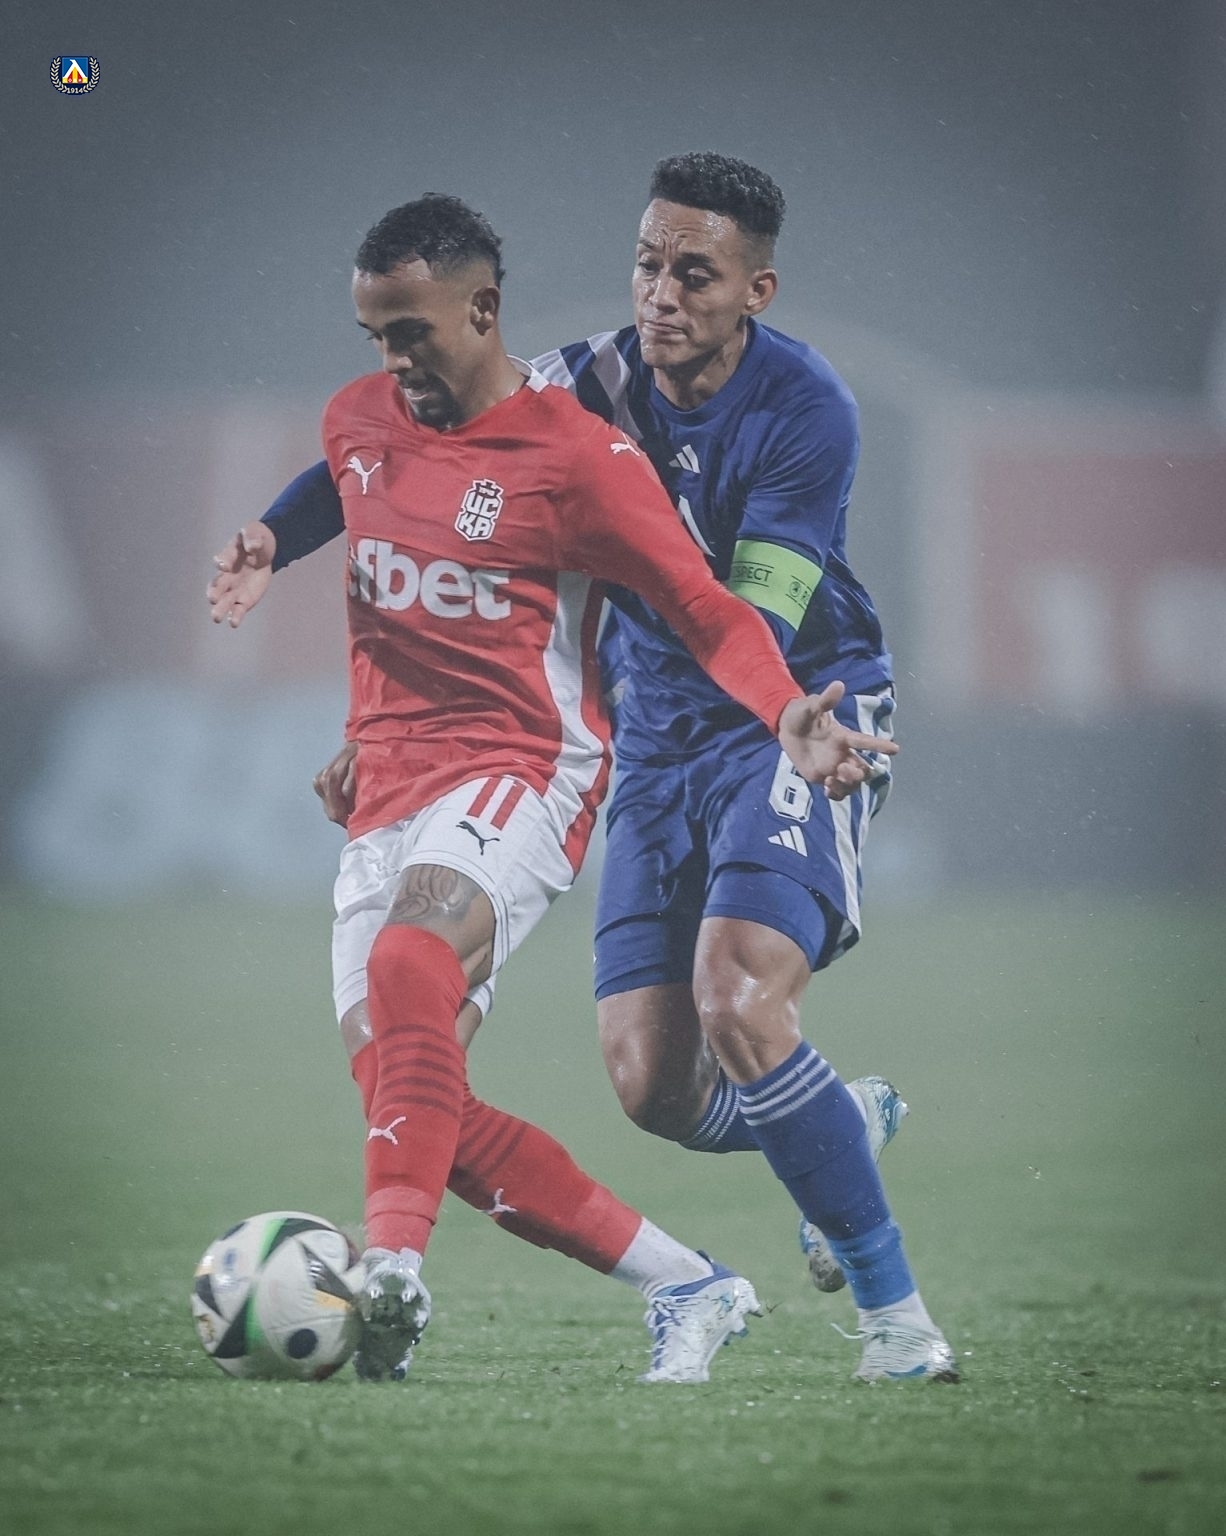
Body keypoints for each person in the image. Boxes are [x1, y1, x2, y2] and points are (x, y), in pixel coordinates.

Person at [207, 191, 896, 1385]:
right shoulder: (359, 415)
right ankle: (688, 1280)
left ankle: (391, 1270)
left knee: (410, 961)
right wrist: (274, 538)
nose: (394, 361)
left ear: (482, 310)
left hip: (521, 763)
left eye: (413, 333)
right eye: (376, 336)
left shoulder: (581, 451)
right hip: (391, 783)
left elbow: (705, 605)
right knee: (415, 1099)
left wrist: (781, 704)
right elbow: (349, 477)